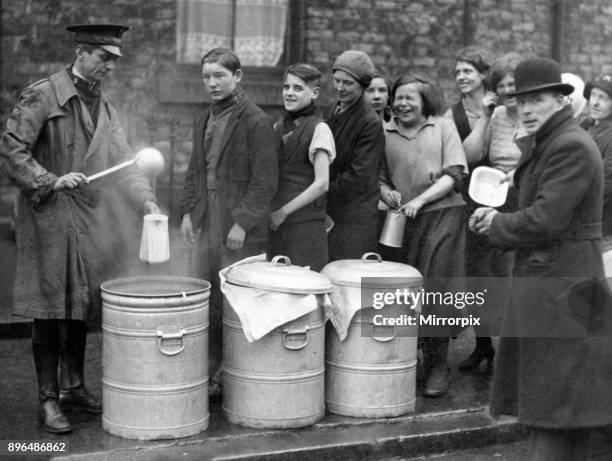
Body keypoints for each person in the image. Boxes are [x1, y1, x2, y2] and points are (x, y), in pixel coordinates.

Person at [0, 24, 160, 434]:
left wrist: (146, 200)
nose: (109, 66)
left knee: (78, 307)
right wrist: (50, 180)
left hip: (87, 222)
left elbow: (126, 162)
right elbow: (11, 150)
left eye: (114, 60)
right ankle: (48, 400)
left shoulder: (104, 109)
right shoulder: (43, 94)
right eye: (104, 57)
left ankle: (73, 388)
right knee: (49, 309)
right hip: (49, 218)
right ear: (81, 52)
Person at [471, 57, 612, 459]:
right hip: (562, 276)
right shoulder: (552, 142)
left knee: (564, 398)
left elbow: (547, 220)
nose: (527, 109)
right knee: (570, 400)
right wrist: (499, 212)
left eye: (537, 100)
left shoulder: (568, 145)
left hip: (567, 280)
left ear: (560, 101)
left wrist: (498, 225)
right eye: (521, 102)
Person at [179, 48, 279, 396]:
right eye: (207, 76)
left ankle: (233, 374)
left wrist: (242, 224)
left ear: (238, 77)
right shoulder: (204, 118)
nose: (212, 83)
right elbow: (195, 170)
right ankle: (210, 368)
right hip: (208, 218)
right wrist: (189, 214)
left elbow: (265, 181)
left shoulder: (255, 120)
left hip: (236, 225)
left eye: (219, 75)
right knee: (207, 295)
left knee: (236, 300)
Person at [380, 73, 468, 397]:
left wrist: (421, 199)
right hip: (403, 222)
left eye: (410, 98)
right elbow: (379, 177)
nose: (402, 103)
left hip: (443, 215)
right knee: (406, 294)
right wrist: (387, 192)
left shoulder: (443, 126)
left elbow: (455, 175)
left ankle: (437, 365)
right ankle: (409, 359)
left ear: (424, 101)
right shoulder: (384, 130)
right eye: (398, 97)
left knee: (437, 289)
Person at [459, 52, 526, 372]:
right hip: (490, 198)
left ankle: (516, 354)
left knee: (513, 280)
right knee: (479, 277)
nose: (508, 91)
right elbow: (471, 156)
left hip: (524, 203)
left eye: (513, 84)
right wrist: (485, 115)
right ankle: (482, 345)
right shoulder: (497, 114)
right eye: (501, 85)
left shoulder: (534, 114)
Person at [268, 64, 335, 271]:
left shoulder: (320, 129)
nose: (289, 93)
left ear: (314, 93)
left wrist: (283, 212)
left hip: (306, 229)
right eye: (286, 87)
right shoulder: (278, 127)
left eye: (297, 89)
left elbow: (322, 184)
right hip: (278, 227)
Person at [323, 50, 385, 261]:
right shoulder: (331, 109)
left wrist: (322, 191)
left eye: (347, 83)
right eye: (337, 81)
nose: (340, 88)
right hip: (329, 209)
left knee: (348, 275)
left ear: (362, 85)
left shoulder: (369, 123)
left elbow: (359, 176)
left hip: (354, 218)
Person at [581, 74, 612, 248]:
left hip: (602, 228)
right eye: (593, 95)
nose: (595, 102)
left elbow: (605, 185)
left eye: (603, 98)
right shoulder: (585, 127)